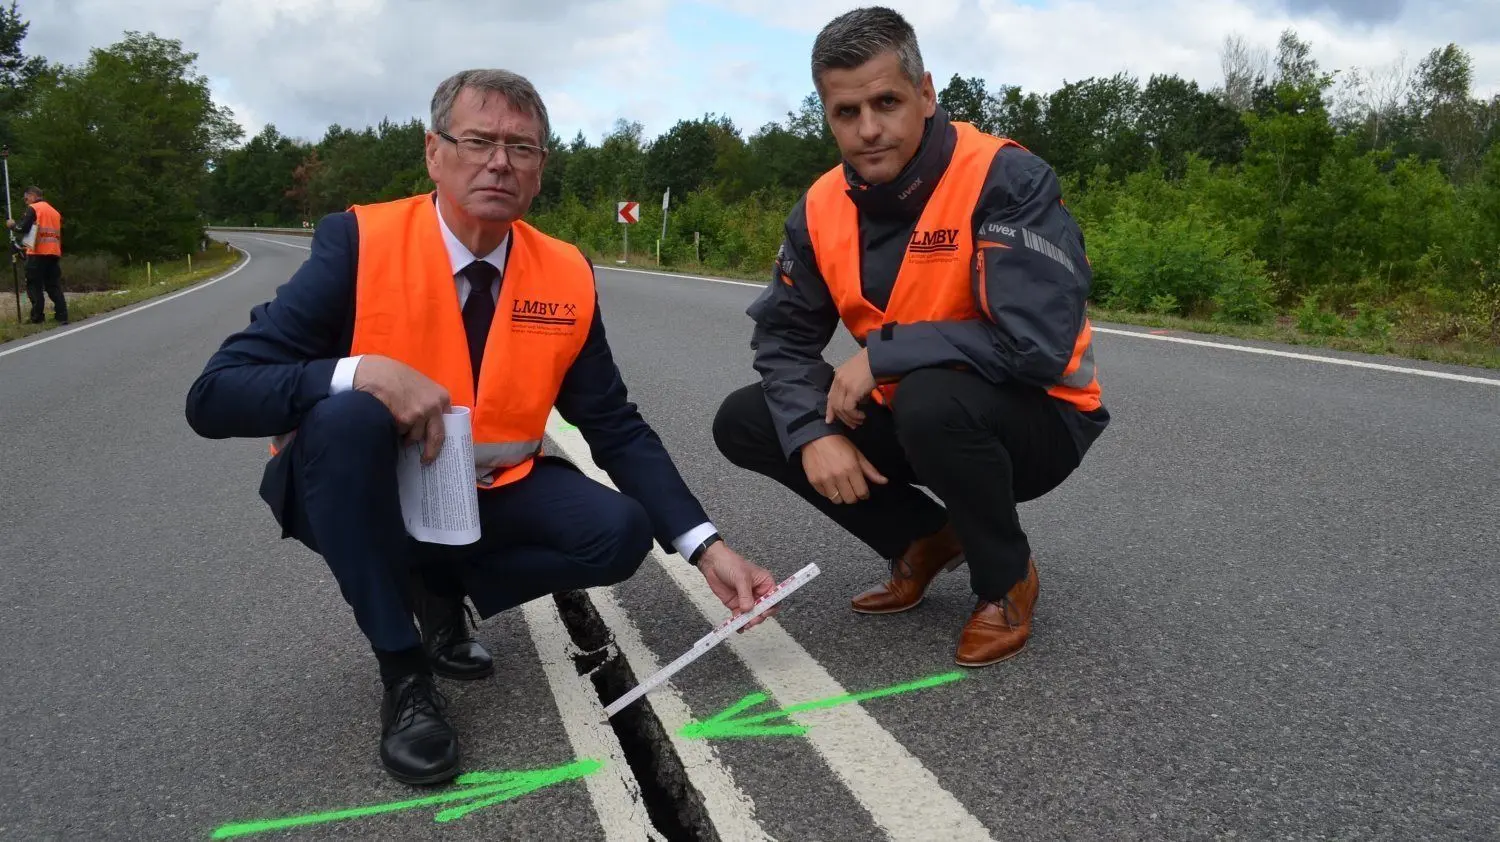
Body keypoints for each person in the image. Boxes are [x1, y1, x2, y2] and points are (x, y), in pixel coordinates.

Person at [184, 69, 777, 786]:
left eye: (521, 148)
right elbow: (213, 396)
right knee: (344, 416)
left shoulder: (562, 271)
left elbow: (613, 424)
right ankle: (405, 675)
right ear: (434, 152)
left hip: (486, 493)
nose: (499, 161)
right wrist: (359, 370)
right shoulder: (359, 243)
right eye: (478, 141)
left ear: (539, 171)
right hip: (358, 491)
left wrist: (705, 546)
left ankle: (439, 589)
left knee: (618, 532)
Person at [712, 7, 1109, 668]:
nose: (868, 130)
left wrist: (885, 355)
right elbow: (781, 341)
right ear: (827, 114)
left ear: (926, 94)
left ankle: (1005, 577)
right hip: (924, 407)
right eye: (846, 112)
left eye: (887, 102)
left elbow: (1036, 344)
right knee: (751, 419)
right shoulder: (818, 206)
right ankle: (924, 539)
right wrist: (814, 432)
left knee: (929, 397)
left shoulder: (1005, 179)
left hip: (1040, 421)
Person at [6, 186, 68, 324]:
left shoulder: (34, 208)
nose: (26, 201)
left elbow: (23, 228)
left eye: (26, 198)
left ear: (33, 195)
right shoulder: (54, 212)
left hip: (38, 254)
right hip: (53, 253)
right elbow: (39, 232)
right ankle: (62, 315)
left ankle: (37, 317)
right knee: (53, 285)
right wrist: (25, 246)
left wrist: (12, 225)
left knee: (34, 285)